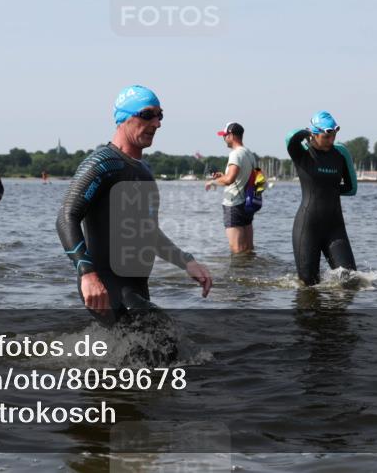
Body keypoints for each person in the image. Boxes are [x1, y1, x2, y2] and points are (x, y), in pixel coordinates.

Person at [56, 84, 212, 325]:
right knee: (165, 339)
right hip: (106, 287)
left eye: (160, 116)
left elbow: (147, 233)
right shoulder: (102, 163)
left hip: (135, 288)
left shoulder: (145, 171)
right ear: (124, 118)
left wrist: (186, 261)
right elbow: (66, 216)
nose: (157, 123)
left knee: (152, 355)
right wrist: (87, 274)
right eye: (147, 114)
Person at [285, 111, 359, 286]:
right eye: (327, 136)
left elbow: (351, 188)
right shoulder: (301, 153)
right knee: (308, 286)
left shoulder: (340, 154)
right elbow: (290, 137)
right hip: (307, 227)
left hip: (335, 227)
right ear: (314, 134)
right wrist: (305, 133)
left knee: (350, 281)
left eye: (334, 135)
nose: (331, 140)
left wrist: (328, 190)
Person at [206, 121, 257, 253]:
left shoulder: (235, 154)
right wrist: (222, 175)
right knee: (248, 249)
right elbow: (242, 177)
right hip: (247, 203)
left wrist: (213, 182)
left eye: (224, 135)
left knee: (237, 250)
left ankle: (239, 274)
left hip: (234, 204)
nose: (223, 139)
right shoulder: (249, 154)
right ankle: (250, 273)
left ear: (231, 135)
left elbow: (229, 180)